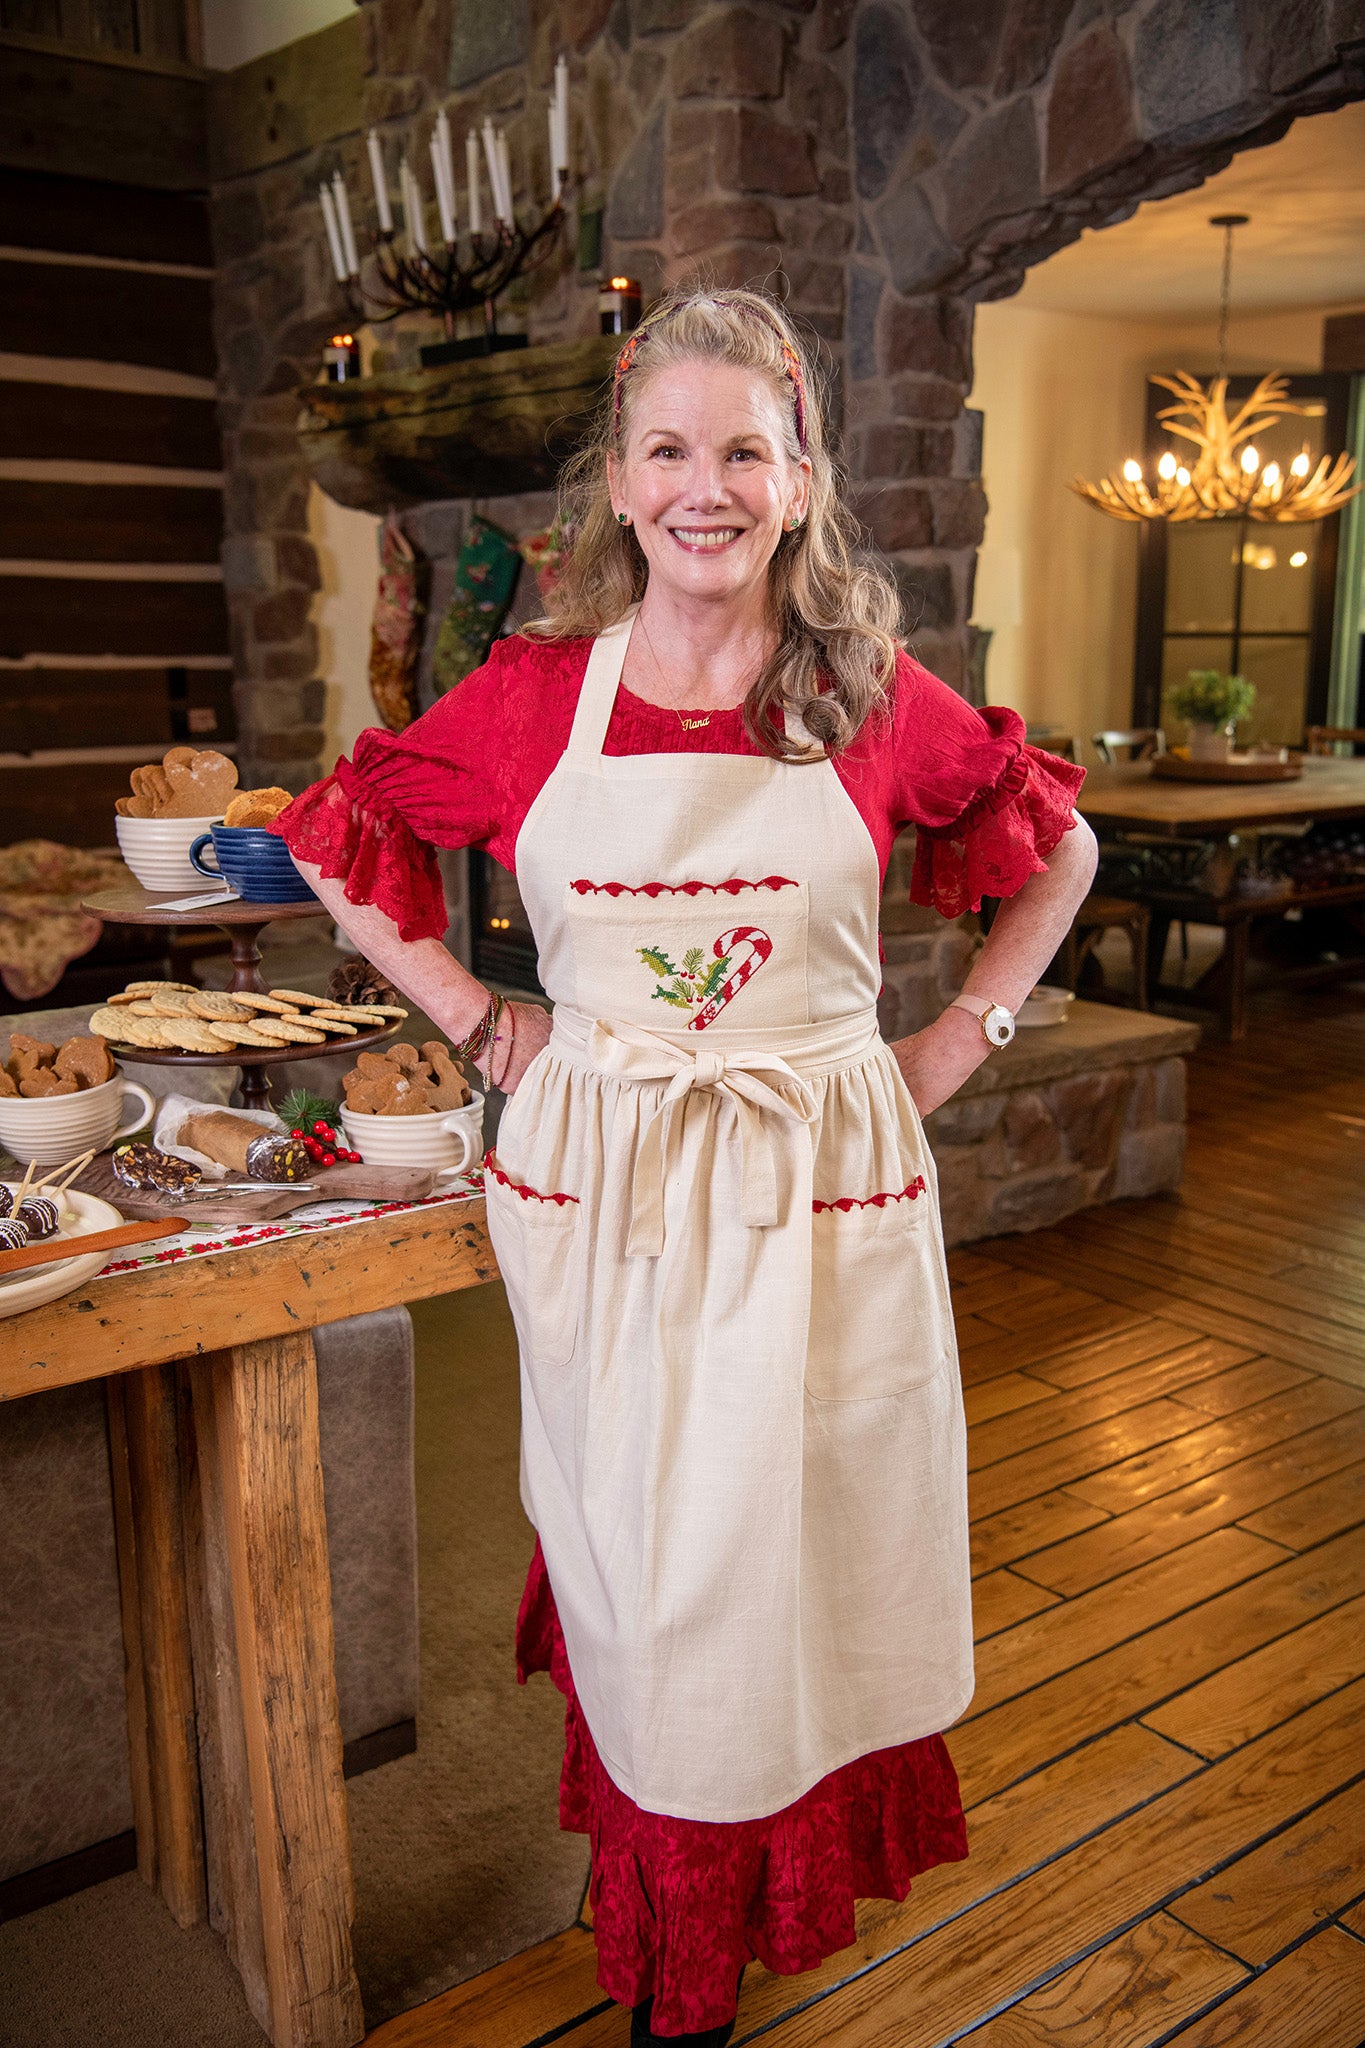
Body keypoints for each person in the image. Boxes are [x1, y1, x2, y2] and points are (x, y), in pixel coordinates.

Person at [274, 287, 1095, 2045]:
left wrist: (965, 1038)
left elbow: (1060, 847)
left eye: (743, 447)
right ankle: (662, 1917)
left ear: (796, 479)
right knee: (639, 1563)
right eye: (668, 449)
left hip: (813, 1189)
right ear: (622, 483)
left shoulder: (867, 700)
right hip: (610, 1183)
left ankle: (687, 1974)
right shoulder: (529, 698)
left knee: (786, 1550)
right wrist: (483, 1019)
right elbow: (342, 841)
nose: (703, 485)